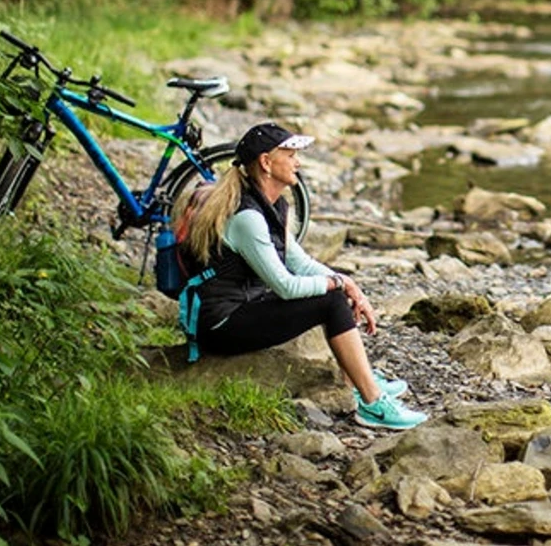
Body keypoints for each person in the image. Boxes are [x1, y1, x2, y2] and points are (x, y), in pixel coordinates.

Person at [177, 121, 427, 430]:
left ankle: (358, 378)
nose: (298, 163)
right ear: (266, 163)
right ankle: (372, 404)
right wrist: (336, 285)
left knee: (334, 291)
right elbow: (285, 286)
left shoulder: (272, 205)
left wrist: (348, 283)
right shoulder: (247, 218)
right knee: (330, 300)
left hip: (245, 304)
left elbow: (300, 263)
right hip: (219, 325)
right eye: (291, 155)